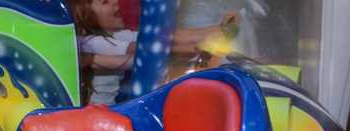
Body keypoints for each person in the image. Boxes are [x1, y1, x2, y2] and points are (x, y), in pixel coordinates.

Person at [69, 0, 240, 105]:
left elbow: (163, 38)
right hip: (99, 119)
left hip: (111, 109)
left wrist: (220, 28)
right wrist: (194, 49)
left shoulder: (114, 35)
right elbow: (142, 53)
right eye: (105, 1)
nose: (115, 1)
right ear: (84, 17)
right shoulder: (91, 43)